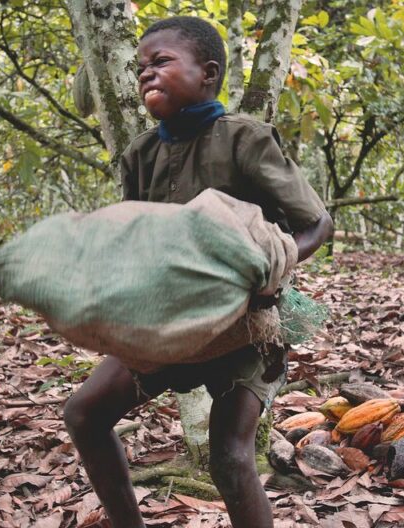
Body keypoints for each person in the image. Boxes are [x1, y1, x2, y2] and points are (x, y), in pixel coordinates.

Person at [62, 16, 333, 528]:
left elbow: (317, 223)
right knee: (84, 413)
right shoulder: (141, 153)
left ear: (207, 74)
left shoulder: (243, 139)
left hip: (245, 329)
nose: (146, 74)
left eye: (161, 62)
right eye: (140, 67)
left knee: (230, 457)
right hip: (173, 324)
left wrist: (269, 269)